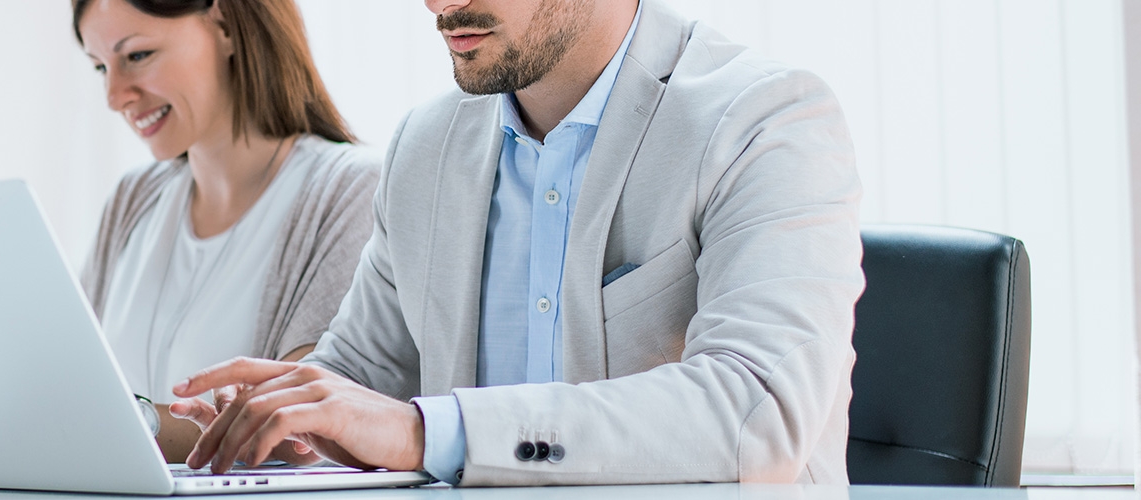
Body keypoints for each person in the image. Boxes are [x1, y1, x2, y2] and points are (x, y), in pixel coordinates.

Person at [169, 0, 864, 485]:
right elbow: (360, 378)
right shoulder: (424, 146)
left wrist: (426, 433)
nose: (438, 3)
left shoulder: (766, 120)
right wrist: (292, 424)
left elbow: (757, 412)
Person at [72, 0, 382, 463]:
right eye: (101, 67)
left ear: (225, 24)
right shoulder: (133, 200)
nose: (116, 96)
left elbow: (296, 430)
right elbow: (70, 384)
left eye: (137, 56)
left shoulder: (349, 189)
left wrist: (88, 424)